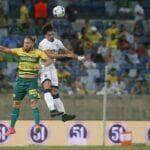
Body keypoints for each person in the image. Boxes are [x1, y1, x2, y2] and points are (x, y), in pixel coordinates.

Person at [0, 36, 50, 136]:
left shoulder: (38, 52)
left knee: (33, 103)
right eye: (24, 43)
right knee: (16, 104)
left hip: (32, 82)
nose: (25, 45)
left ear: (32, 44)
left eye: (27, 43)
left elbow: (49, 61)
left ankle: (37, 125)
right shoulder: (19, 51)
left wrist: (41, 66)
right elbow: (6, 50)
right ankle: (11, 128)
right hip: (20, 82)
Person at [39, 23, 79, 121]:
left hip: (52, 67)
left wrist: (76, 56)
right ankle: (52, 110)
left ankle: (64, 115)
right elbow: (51, 55)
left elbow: (65, 50)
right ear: (45, 36)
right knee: (47, 86)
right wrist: (66, 56)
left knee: (55, 91)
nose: (51, 36)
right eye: (49, 35)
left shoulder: (57, 42)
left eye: (52, 34)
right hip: (44, 66)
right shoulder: (43, 43)